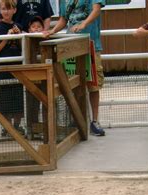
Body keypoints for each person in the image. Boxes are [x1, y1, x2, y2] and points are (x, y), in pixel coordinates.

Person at [44, 0, 106, 137]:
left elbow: (96, 10)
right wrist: (52, 31)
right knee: (71, 83)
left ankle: (95, 121)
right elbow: (63, 19)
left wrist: (84, 23)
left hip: (91, 44)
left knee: (93, 84)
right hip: (71, 46)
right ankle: (76, 119)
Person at [0, 0, 25, 137]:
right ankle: (7, 127)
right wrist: (6, 38)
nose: (6, 11)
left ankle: (17, 126)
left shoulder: (19, 26)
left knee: (18, 99)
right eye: (3, 9)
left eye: (9, 8)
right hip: (3, 69)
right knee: (4, 101)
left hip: (17, 68)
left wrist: (18, 37)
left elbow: (23, 47)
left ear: (14, 10)